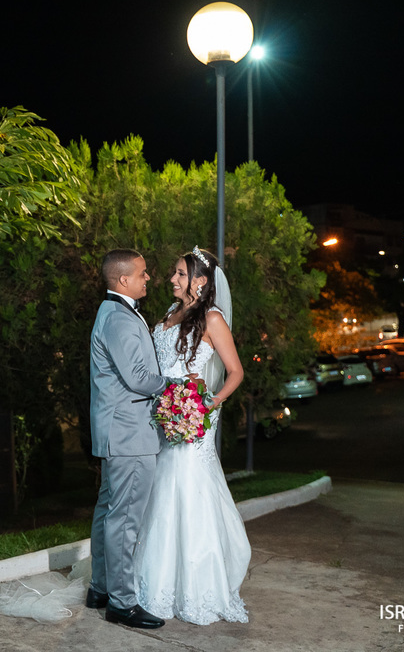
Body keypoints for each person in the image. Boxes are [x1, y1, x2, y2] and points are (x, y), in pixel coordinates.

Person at [134, 246, 251, 625]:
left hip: (193, 418)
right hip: (163, 415)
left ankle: (195, 589)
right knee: (159, 493)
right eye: (175, 273)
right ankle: (153, 582)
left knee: (184, 491)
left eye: (181, 274)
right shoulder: (171, 314)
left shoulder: (213, 319)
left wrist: (206, 404)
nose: (172, 279)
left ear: (200, 281)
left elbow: (235, 372)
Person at [85, 248, 174, 630]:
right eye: (142, 273)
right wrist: (175, 385)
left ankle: (101, 589)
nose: (148, 278)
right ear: (123, 280)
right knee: (124, 521)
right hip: (130, 434)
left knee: (108, 512)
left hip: (117, 431)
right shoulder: (119, 318)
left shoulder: (115, 312)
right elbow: (139, 378)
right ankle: (122, 603)